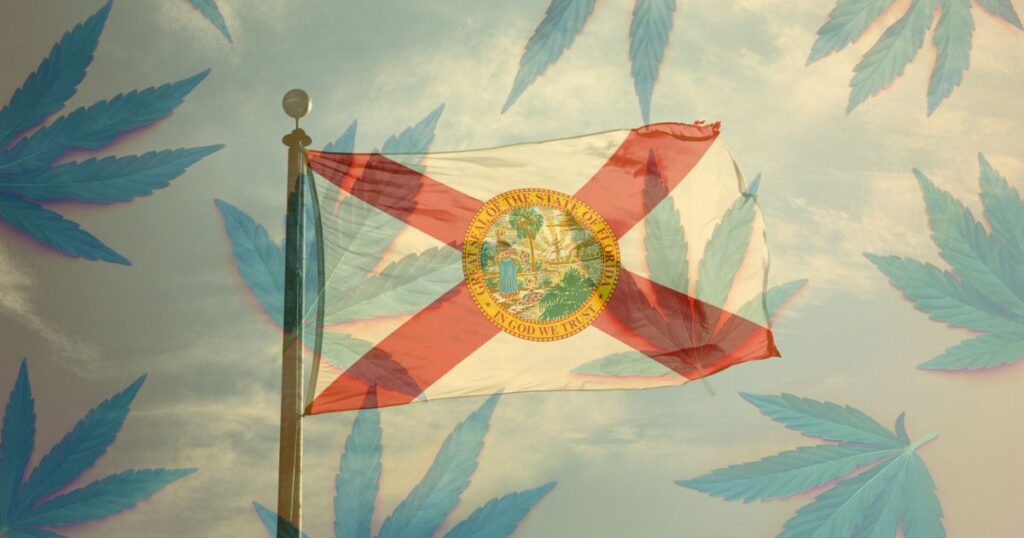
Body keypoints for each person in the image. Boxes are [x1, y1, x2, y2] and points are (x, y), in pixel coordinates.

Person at [495, 230, 519, 298]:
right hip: (504, 264)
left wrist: (513, 253)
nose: (504, 236)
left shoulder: (507, 243)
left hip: (510, 262)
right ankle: (507, 298)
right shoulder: (498, 244)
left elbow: (511, 251)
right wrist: (503, 254)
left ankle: (514, 295)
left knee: (512, 278)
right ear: (499, 236)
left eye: (504, 235)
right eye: (502, 235)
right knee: (506, 279)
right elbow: (498, 255)